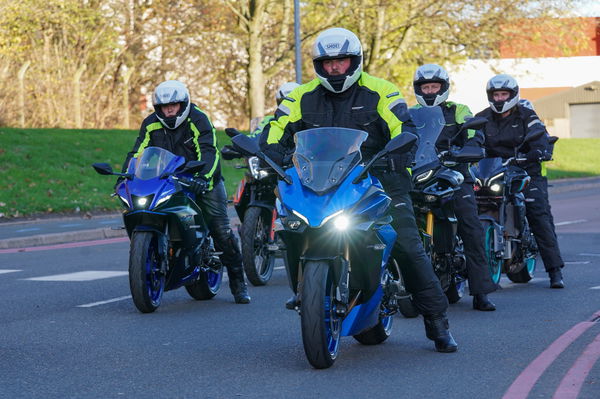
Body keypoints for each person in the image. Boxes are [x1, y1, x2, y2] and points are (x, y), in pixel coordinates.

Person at [260, 28, 457, 353]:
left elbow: (403, 127)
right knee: (294, 227)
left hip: (377, 179)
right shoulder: (301, 97)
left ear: (356, 61)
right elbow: (276, 128)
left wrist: (399, 151)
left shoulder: (381, 91)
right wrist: (269, 150)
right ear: (318, 65)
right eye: (328, 63)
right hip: (320, 182)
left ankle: (437, 322)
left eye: (342, 61)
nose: (335, 68)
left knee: (407, 244)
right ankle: (308, 291)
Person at [120, 80, 251, 303]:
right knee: (144, 208)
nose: (169, 109)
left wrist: (203, 178)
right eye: (163, 106)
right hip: (168, 179)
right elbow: (137, 153)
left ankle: (239, 284)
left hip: (202, 180)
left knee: (220, 230)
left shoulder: (198, 119)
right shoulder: (151, 124)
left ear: (184, 103)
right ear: (157, 108)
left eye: (174, 105)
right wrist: (126, 177)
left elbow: (210, 152)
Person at [411, 64, 497, 311]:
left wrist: (470, 147)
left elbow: (474, 131)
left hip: (455, 175)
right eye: (425, 87)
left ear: (443, 87)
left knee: (471, 228)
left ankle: (481, 293)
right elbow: (400, 136)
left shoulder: (458, 110)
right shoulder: (410, 113)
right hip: (422, 175)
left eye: (433, 86)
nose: (429, 91)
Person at [475, 74, 565, 288]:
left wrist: (539, 150)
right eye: (496, 94)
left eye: (503, 94)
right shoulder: (482, 117)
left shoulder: (526, 116)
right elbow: (471, 137)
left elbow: (538, 133)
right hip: (493, 172)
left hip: (525, 171)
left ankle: (555, 271)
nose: (499, 98)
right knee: (472, 208)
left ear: (513, 95)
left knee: (538, 214)